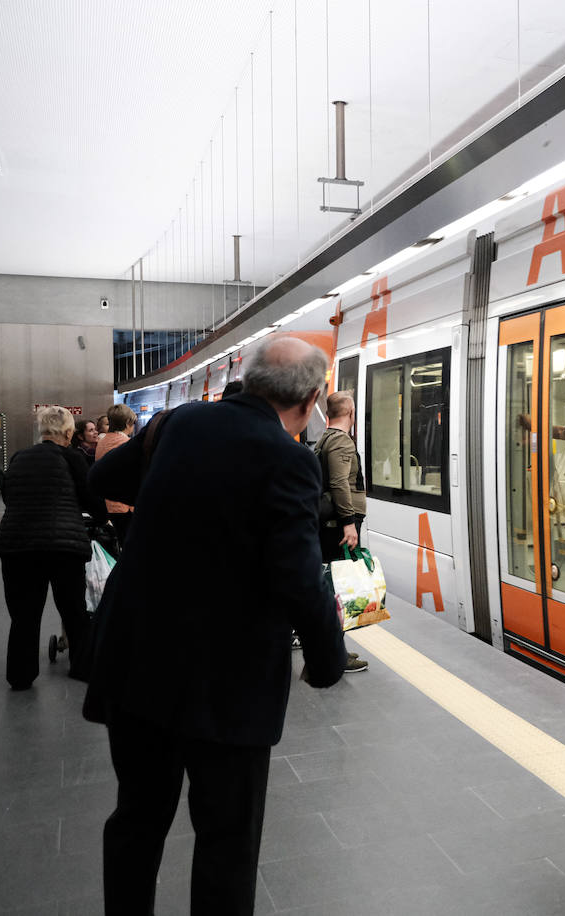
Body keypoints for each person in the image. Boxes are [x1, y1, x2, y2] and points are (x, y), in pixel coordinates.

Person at [86, 335, 347, 915]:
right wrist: (328, 661)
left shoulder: (179, 424)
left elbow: (102, 482)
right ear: (309, 401)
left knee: (137, 818)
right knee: (227, 837)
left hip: (137, 663)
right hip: (227, 683)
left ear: (250, 381)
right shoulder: (291, 460)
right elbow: (301, 577)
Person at [0, 405, 106, 688]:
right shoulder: (73, 457)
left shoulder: (19, 457)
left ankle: (20, 675)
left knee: (24, 615)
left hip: (17, 545)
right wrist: (101, 517)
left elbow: (11, 497)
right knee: (74, 610)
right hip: (62, 547)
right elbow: (92, 499)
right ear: (68, 432)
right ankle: (82, 668)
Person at [313, 390, 369, 673]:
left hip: (330, 523)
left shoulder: (324, 438)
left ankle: (328, 647)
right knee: (339, 589)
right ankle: (334, 652)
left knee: (329, 585)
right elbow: (339, 483)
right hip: (339, 525)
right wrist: (348, 521)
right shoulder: (341, 442)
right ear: (349, 412)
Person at [93, 404, 137, 548]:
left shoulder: (102, 441)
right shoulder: (125, 443)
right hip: (123, 505)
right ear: (127, 423)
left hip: (106, 501)